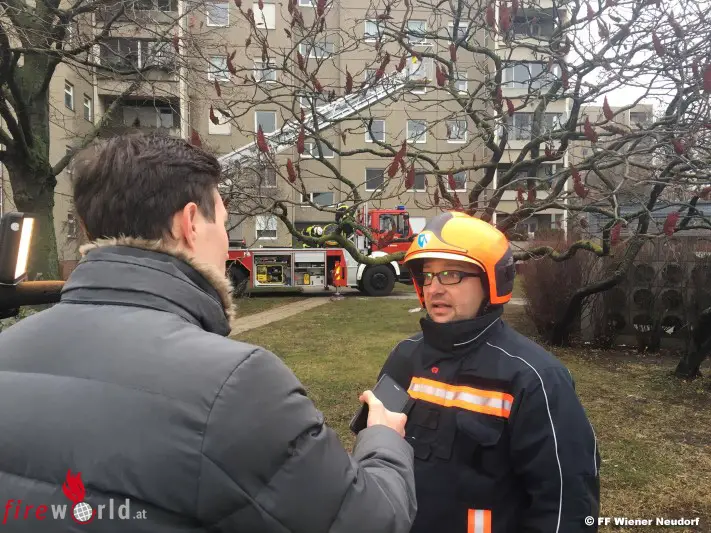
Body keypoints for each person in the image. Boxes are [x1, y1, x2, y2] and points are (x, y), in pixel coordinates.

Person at [0, 133, 417, 532]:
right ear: (190, 224)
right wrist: (383, 439)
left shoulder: (7, 349)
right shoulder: (235, 385)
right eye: (223, 222)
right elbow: (370, 521)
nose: (226, 242)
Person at [375, 210, 600, 533]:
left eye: (450, 274)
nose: (434, 288)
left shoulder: (535, 378)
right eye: (428, 275)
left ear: (491, 280)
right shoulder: (404, 356)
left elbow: (566, 504)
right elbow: (374, 454)